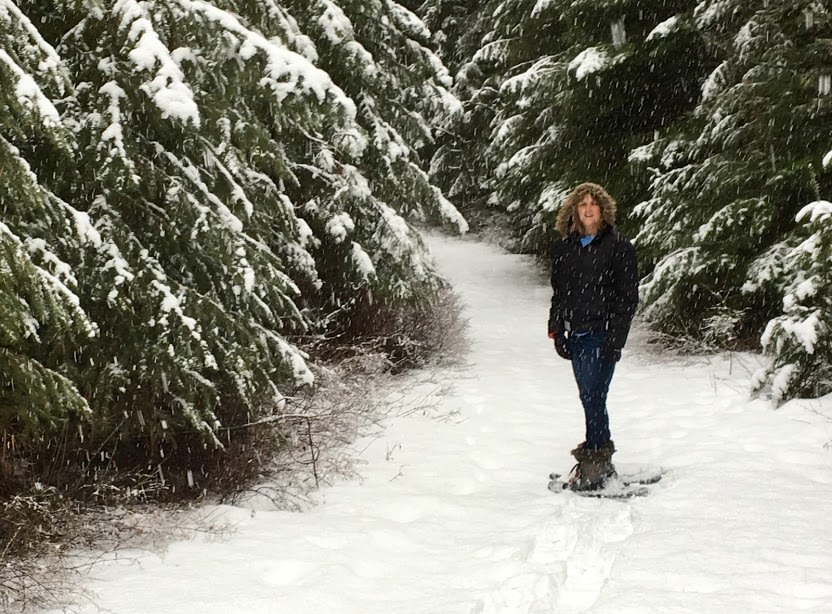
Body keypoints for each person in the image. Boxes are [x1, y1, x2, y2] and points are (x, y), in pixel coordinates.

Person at [547, 182, 639, 491]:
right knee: (590, 397)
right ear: (574, 210)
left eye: (593, 204)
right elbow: (559, 295)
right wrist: (556, 329)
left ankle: (596, 463)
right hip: (577, 334)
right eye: (582, 204)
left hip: (603, 333)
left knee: (594, 396)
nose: (588, 209)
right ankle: (598, 461)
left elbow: (627, 299)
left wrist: (616, 340)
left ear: (603, 209)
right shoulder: (565, 249)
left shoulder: (619, 248)